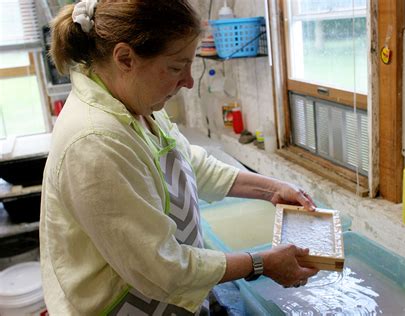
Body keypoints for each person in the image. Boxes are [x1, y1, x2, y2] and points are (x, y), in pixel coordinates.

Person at [40, 0, 319, 315]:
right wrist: (261, 263)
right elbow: (161, 268)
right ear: (125, 58)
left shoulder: (134, 104)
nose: (188, 81)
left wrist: (273, 188)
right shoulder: (94, 142)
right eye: (175, 67)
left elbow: (187, 162)